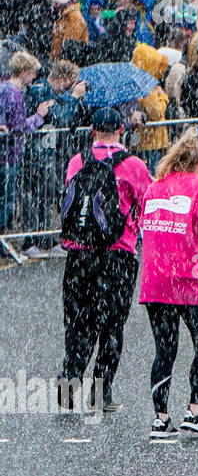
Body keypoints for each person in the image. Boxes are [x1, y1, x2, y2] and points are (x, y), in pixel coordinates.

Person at [139, 127, 198, 439]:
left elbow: (145, 232)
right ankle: (195, 410)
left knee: (164, 351)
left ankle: (160, 418)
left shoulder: (154, 188)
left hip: (155, 280)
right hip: (190, 279)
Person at [57, 108, 152, 413]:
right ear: (121, 129)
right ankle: (102, 392)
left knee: (77, 322)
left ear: (93, 130)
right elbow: (147, 205)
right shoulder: (134, 165)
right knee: (112, 324)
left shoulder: (77, 160)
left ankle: (68, 387)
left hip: (79, 253)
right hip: (117, 254)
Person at [0, 51, 51, 231]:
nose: (34, 76)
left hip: (7, 154)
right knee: (6, 200)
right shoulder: (13, 93)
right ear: (23, 71)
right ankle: (3, 241)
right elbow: (18, 128)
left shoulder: (4, 88)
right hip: (8, 156)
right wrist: (38, 117)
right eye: (32, 72)